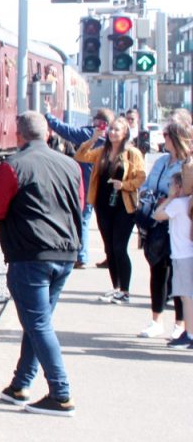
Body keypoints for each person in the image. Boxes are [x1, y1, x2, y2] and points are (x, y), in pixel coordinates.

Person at [0, 111, 84, 417]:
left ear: (18, 136)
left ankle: (61, 394)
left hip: (31, 255)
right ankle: (20, 385)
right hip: (65, 253)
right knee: (37, 322)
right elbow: (80, 206)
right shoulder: (71, 166)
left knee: (38, 324)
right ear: (48, 134)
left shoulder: (14, 166)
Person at [75, 117, 147, 303]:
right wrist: (93, 138)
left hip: (124, 206)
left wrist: (123, 184)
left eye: (116, 130)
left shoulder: (132, 153)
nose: (112, 133)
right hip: (103, 205)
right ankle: (116, 287)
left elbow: (141, 178)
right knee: (109, 248)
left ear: (124, 133)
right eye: (111, 129)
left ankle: (125, 290)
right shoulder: (102, 151)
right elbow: (81, 156)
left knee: (119, 247)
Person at [134, 121, 189, 339]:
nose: (162, 138)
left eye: (165, 134)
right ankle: (156, 320)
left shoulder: (187, 163)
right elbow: (147, 186)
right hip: (154, 220)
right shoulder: (161, 162)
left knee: (177, 273)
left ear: (175, 138)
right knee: (157, 270)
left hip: (175, 221)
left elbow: (184, 191)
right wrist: (149, 196)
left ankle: (180, 323)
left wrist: (167, 198)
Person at [44, 103, 114, 268]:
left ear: (98, 122)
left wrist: (47, 115)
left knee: (83, 219)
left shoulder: (88, 134)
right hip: (106, 187)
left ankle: (81, 256)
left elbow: (65, 130)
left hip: (88, 184)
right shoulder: (112, 137)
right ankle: (111, 256)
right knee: (105, 224)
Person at [152, 168, 193, 348]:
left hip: (183, 255)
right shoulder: (188, 203)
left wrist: (170, 198)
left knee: (186, 296)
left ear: (178, 186)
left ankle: (190, 334)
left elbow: (157, 214)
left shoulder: (178, 204)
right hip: (187, 253)